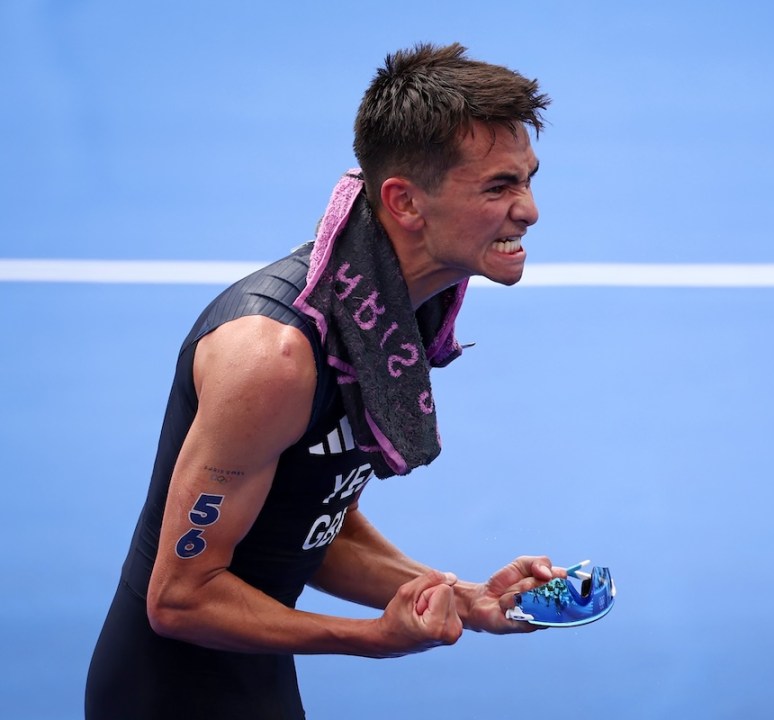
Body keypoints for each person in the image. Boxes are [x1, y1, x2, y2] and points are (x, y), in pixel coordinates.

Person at [86, 42, 560, 719]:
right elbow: (181, 596)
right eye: (498, 187)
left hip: (251, 682)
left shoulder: (381, 314)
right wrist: (372, 638)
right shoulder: (273, 357)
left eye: (527, 179)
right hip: (170, 699)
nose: (530, 210)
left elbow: (315, 521)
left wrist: (462, 597)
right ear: (403, 202)